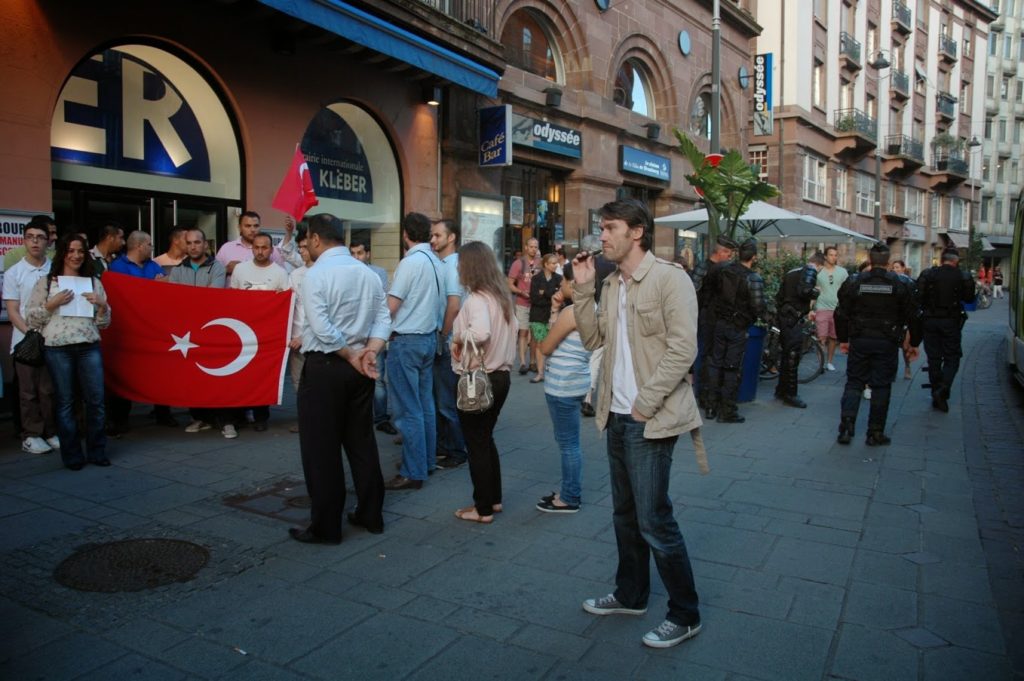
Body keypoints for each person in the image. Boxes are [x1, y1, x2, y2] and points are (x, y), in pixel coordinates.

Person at [573, 199, 703, 650]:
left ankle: (685, 613)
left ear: (637, 233)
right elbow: (593, 340)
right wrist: (583, 289)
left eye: (609, 228)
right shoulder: (610, 284)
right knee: (625, 516)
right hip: (615, 415)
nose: (601, 236)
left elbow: (683, 348)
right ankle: (631, 594)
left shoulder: (671, 279)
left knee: (654, 519)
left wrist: (646, 403)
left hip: (648, 419)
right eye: (602, 227)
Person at [290, 213, 390, 544]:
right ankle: (371, 513)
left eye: (307, 242)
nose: (307, 247)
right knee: (361, 441)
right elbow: (383, 317)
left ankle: (326, 526)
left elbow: (320, 327)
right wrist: (370, 351)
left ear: (316, 239)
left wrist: (352, 355)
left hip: (328, 367)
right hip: (361, 366)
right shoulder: (367, 273)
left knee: (322, 449)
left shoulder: (315, 275)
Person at [26, 234, 111, 470]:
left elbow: (104, 323)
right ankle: (72, 455)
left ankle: (97, 451)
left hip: (88, 345)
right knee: (64, 402)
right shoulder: (46, 282)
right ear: (62, 252)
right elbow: (31, 318)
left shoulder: (93, 281)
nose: (75, 256)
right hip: (58, 348)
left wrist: (102, 304)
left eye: (80, 252)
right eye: (71, 250)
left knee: (96, 401)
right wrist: (51, 304)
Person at [450, 241, 517, 524]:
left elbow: (480, 333)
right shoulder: (500, 298)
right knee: (485, 439)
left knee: (476, 443)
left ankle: (483, 509)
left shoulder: (477, 300)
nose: (457, 268)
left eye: (460, 264)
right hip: (500, 377)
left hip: (479, 379)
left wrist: (456, 337)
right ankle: (494, 499)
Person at [834, 243, 920, 445]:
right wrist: (914, 343)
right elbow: (915, 316)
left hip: (860, 339)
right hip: (886, 342)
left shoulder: (854, 282)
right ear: (889, 263)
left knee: (854, 382)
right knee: (881, 386)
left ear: (870, 261)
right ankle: (875, 432)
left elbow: (840, 313)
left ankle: (846, 428)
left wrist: (844, 339)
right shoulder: (901, 284)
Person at [384, 212, 444, 491]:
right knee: (424, 406)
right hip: (428, 339)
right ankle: (425, 461)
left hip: (407, 341)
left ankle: (413, 470)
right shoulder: (435, 261)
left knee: (407, 410)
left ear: (406, 234)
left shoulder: (410, 262)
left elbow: (391, 306)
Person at [169, 229, 236, 439]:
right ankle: (199, 417)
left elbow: (213, 296)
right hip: (188, 331)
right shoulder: (179, 269)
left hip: (213, 329)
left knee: (219, 376)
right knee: (193, 375)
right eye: (189, 243)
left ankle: (226, 420)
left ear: (205, 244)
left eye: (197, 242)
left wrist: (190, 295)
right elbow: (174, 298)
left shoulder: (216, 267)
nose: (193, 246)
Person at [536, 262, 590, 513]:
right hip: (577, 381)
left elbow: (545, 346)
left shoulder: (573, 312)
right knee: (569, 442)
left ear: (575, 283)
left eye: (565, 281)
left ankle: (569, 497)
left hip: (562, 385)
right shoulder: (592, 308)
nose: (561, 285)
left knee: (568, 444)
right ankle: (569, 491)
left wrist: (556, 311)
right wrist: (556, 307)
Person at [107, 230, 174, 429]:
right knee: (126, 373)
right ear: (139, 246)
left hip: (154, 327)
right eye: (150, 244)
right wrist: (151, 286)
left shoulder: (153, 265)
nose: (152, 248)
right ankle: (121, 419)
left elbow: (162, 292)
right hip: (128, 329)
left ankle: (163, 413)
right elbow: (123, 294)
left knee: (159, 372)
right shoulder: (117, 267)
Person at [3, 220, 58, 454]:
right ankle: (31, 435)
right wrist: (31, 333)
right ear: (24, 240)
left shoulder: (54, 269)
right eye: (30, 236)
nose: (35, 241)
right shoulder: (14, 272)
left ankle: (50, 431)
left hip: (52, 338)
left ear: (48, 241)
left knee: (48, 390)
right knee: (28, 391)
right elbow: (13, 310)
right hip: (25, 341)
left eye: (40, 237)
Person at [230, 232, 289, 431]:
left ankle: (261, 416)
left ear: (271, 250)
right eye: (257, 247)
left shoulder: (280, 272)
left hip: (267, 333)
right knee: (240, 374)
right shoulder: (240, 269)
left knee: (262, 374)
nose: (260, 251)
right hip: (242, 330)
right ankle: (238, 415)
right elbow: (232, 298)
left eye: (265, 247)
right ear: (251, 248)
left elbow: (287, 300)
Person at [704, 238, 765, 423]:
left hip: (719, 323)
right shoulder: (752, 278)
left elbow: (709, 292)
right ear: (753, 257)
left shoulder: (721, 269)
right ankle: (727, 410)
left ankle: (710, 406)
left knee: (715, 364)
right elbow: (758, 306)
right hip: (737, 326)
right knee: (731, 368)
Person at [429, 219, 469, 469]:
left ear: (451, 237)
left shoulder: (452, 266)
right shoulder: (443, 264)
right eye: (431, 236)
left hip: (450, 340)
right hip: (449, 339)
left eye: (437, 235)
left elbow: (453, 306)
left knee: (446, 400)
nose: (432, 240)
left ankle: (457, 450)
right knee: (442, 398)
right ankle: (446, 445)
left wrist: (443, 335)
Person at [917, 248, 974, 413]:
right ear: (956, 261)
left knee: (934, 358)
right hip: (951, 321)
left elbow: (918, 296)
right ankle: (943, 388)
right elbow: (969, 298)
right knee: (952, 357)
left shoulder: (928, 274)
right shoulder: (963, 275)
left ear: (942, 260)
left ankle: (936, 391)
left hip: (930, 320)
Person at [351, 238, 394, 435]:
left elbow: (382, 304)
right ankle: (358, 416)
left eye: (360, 253)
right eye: (353, 253)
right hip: (354, 334)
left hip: (374, 335)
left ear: (368, 254)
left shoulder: (378, 273)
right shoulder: (347, 272)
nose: (356, 257)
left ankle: (381, 417)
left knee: (377, 379)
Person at [690, 235, 737, 412]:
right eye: (729, 254)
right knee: (704, 355)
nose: (730, 258)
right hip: (705, 318)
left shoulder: (719, 268)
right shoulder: (704, 267)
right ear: (721, 252)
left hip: (714, 318)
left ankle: (708, 394)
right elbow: (692, 291)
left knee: (710, 356)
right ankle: (703, 394)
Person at [774, 251, 823, 408]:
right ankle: (791, 394)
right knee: (792, 356)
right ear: (819, 265)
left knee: (787, 354)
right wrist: (816, 292)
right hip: (793, 318)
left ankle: (781, 390)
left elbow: (779, 296)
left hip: (785, 317)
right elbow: (805, 291)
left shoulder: (791, 272)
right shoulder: (810, 271)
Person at [285, 229, 313, 433]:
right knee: (298, 383)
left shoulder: (323, 273)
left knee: (317, 384)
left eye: (305, 247)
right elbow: (287, 304)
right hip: (295, 338)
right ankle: (305, 419)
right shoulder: (295, 274)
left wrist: (306, 336)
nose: (302, 251)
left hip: (315, 340)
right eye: (300, 247)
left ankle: (319, 420)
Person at [215, 211, 285, 284]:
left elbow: (282, 276)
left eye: (256, 226)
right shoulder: (226, 248)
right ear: (239, 227)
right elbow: (212, 275)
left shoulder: (271, 250)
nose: (252, 230)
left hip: (263, 294)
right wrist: (226, 270)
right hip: (234, 294)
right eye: (248, 226)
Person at [507, 237, 542, 374]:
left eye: (536, 247)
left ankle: (532, 362)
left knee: (534, 334)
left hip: (537, 304)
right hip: (522, 303)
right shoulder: (518, 263)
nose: (533, 249)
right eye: (531, 246)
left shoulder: (540, 264)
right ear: (526, 247)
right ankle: (522, 362)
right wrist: (521, 292)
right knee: (523, 332)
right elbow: (509, 284)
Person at [528, 253, 563, 383]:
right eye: (553, 263)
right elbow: (534, 298)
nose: (555, 265)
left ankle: (551, 371)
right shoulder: (536, 279)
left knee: (554, 344)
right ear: (546, 265)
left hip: (553, 315)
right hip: (537, 315)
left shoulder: (559, 278)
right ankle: (540, 372)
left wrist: (545, 293)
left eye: (556, 263)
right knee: (539, 344)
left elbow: (561, 297)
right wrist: (551, 295)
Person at [815, 246, 848, 371]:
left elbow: (847, 290)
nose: (834, 257)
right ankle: (820, 364)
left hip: (837, 309)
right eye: (831, 255)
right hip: (822, 308)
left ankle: (829, 361)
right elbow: (813, 290)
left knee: (833, 337)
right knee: (821, 337)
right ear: (825, 256)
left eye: (835, 255)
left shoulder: (843, 272)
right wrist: (811, 309)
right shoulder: (819, 271)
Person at [890, 259, 916, 380]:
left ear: (903, 268)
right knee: (893, 346)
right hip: (893, 319)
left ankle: (907, 367)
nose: (895, 270)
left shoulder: (909, 282)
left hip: (905, 319)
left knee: (905, 346)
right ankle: (893, 371)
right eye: (894, 268)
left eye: (897, 267)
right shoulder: (891, 282)